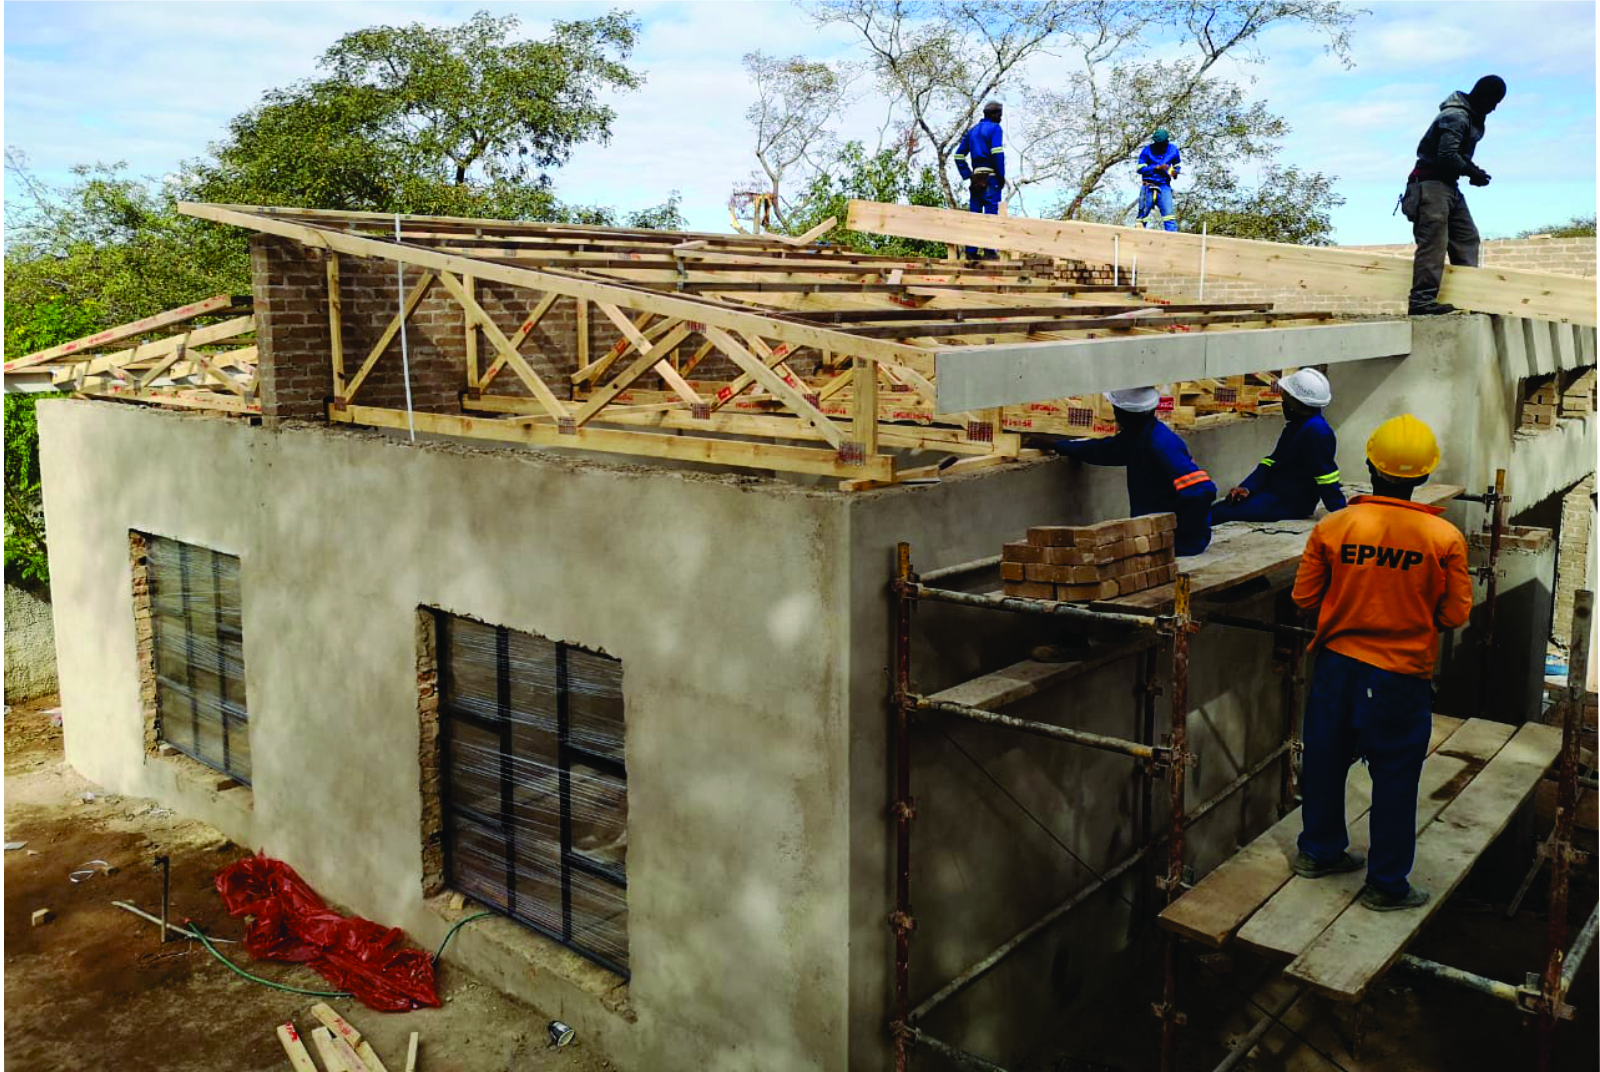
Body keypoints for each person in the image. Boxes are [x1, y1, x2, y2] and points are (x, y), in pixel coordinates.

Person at [1289, 414, 1473, 911]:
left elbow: (1304, 598)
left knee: (1325, 760)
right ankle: (1386, 884)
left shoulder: (1334, 527)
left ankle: (1318, 851)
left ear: (1370, 466)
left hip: (1336, 666)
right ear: (1424, 475)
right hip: (1399, 674)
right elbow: (1455, 614)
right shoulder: (1443, 538)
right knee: (1394, 777)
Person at [1048, 387, 1216, 556]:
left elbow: (1202, 491)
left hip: (1176, 544)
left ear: (1121, 414)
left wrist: (1183, 539)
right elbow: (1102, 450)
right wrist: (1059, 446)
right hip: (1155, 537)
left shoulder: (1161, 446)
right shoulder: (1138, 438)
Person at [1402, 75, 1506, 315]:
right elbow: (1447, 156)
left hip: (1448, 186)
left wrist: (1471, 171)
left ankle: (1469, 299)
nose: (1494, 107)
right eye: (1494, 101)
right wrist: (1473, 172)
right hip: (1430, 186)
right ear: (1482, 94)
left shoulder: (1470, 117)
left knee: (1467, 238)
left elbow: (1454, 156)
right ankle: (1421, 301)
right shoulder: (1455, 116)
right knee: (1434, 242)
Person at [1212, 369, 1346, 524]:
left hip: (1289, 502)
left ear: (1296, 403)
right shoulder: (1297, 426)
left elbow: (1326, 476)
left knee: (1220, 512)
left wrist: (1341, 513)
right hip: (1273, 492)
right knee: (1218, 508)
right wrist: (1248, 487)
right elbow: (1272, 461)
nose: (1283, 402)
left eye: (1286, 398)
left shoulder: (1316, 432)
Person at [954, 101, 1005, 258]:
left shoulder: (973, 131)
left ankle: (971, 252)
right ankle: (989, 251)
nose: (1001, 118)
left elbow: (958, 155)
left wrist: (968, 174)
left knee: (974, 215)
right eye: (1000, 114)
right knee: (991, 215)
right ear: (994, 114)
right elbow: (997, 153)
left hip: (976, 178)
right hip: (990, 177)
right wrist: (1001, 176)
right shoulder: (995, 128)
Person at [1136, 128, 1182, 232]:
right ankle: (1138, 238)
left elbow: (1177, 165)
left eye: (1163, 144)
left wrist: (1175, 172)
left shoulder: (1173, 149)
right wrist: (1156, 168)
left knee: (1169, 216)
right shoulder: (1147, 151)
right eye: (1159, 144)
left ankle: (1172, 239)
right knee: (1142, 217)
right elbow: (1140, 169)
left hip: (1164, 186)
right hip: (1148, 186)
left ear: (1167, 141)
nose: (1162, 147)